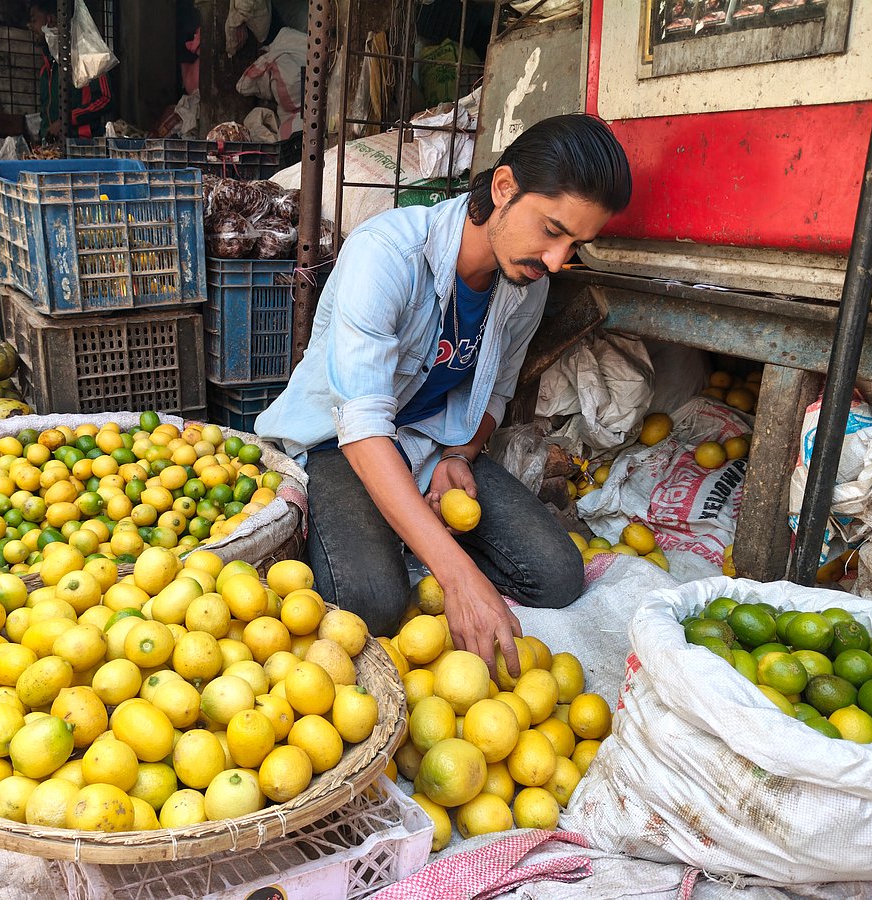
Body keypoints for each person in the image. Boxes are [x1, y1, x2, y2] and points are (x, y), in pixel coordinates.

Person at [255, 114, 632, 676]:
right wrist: (457, 575)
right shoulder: (386, 255)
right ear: (503, 189)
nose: (556, 259)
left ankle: (416, 538)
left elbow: (496, 395)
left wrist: (459, 456)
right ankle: (407, 544)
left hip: (430, 444)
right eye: (552, 230)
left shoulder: (526, 287)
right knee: (373, 603)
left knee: (557, 575)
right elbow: (361, 425)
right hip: (339, 445)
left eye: (576, 243)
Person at [28, 0, 112, 141]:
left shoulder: (88, 58)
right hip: (52, 149)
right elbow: (45, 114)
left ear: (50, 20)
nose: (30, 26)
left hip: (84, 146)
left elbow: (105, 99)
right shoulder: (47, 68)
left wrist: (66, 120)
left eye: (34, 20)